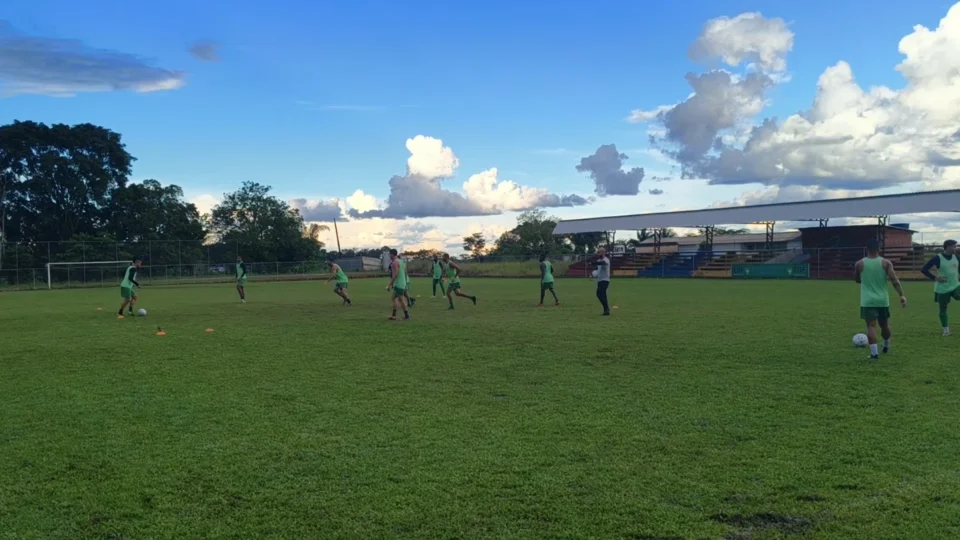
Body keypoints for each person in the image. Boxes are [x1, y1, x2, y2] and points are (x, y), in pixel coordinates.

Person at [855, 238, 907, 359]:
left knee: (871, 326)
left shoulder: (859, 264)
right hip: (882, 300)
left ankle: (874, 353)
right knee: (884, 325)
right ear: (879, 249)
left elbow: (857, 280)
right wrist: (901, 295)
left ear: (866, 249)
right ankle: (886, 344)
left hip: (867, 301)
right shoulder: (886, 263)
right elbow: (894, 280)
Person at [921, 239, 960, 336]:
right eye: (954, 246)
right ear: (948, 246)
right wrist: (935, 277)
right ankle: (946, 329)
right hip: (942, 288)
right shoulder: (938, 258)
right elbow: (924, 269)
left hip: (956, 285)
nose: (956, 248)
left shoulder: (957, 257)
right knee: (943, 309)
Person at [387, 249, 410, 320]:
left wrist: (390, 284)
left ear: (392, 254)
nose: (389, 256)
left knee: (401, 300)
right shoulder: (402, 261)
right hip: (402, 283)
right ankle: (394, 315)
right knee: (393, 298)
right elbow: (406, 273)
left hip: (399, 284)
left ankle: (407, 316)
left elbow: (395, 274)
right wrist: (405, 282)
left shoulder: (395, 263)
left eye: (389, 254)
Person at [594, 247, 611, 315]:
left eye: (599, 252)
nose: (598, 254)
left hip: (605, 280)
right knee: (603, 295)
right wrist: (592, 274)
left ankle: (606, 308)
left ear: (603, 253)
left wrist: (593, 263)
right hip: (600, 280)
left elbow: (603, 263)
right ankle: (606, 310)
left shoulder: (606, 260)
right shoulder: (598, 261)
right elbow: (597, 270)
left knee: (599, 293)